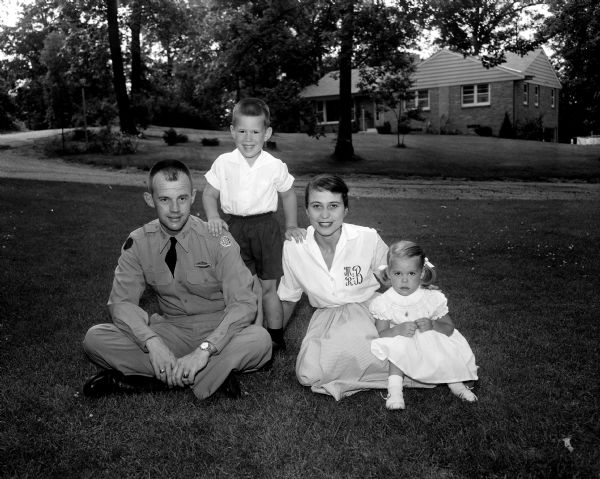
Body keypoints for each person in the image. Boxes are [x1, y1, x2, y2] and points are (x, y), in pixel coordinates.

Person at [82, 160, 272, 400]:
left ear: (192, 197)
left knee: (260, 340)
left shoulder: (218, 240)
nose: (175, 209)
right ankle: (212, 374)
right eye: (165, 199)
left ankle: (155, 378)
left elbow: (244, 304)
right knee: (95, 337)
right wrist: (153, 343)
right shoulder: (139, 242)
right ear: (150, 200)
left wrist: (205, 349)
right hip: (171, 331)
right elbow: (122, 304)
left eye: (182, 198)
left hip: (219, 329)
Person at [278, 174, 432, 400]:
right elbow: (289, 296)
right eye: (316, 206)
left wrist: (422, 278)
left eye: (333, 206)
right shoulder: (294, 247)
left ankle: (397, 368)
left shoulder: (366, 237)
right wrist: (274, 337)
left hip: (370, 311)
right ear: (306, 210)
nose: (325, 215)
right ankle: (386, 370)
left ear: (346, 209)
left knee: (392, 352)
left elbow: (395, 270)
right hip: (329, 318)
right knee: (309, 374)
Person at [202, 97, 305, 353]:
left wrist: (291, 224)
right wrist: (213, 217)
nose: (249, 138)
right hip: (232, 229)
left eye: (256, 131)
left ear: (267, 133)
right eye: (242, 130)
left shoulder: (274, 165)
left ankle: (275, 336)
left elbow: (289, 193)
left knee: (269, 286)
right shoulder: (224, 163)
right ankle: (244, 332)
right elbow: (208, 193)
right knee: (241, 284)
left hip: (266, 228)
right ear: (232, 131)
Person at [370, 240, 478, 410]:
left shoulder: (430, 298)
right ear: (389, 274)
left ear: (421, 274)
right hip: (403, 338)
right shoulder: (384, 302)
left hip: (429, 339)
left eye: (411, 273)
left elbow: (449, 328)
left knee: (444, 346)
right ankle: (395, 391)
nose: (404, 280)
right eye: (398, 273)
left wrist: (433, 325)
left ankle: (456, 384)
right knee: (397, 347)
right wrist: (397, 329)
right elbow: (381, 334)